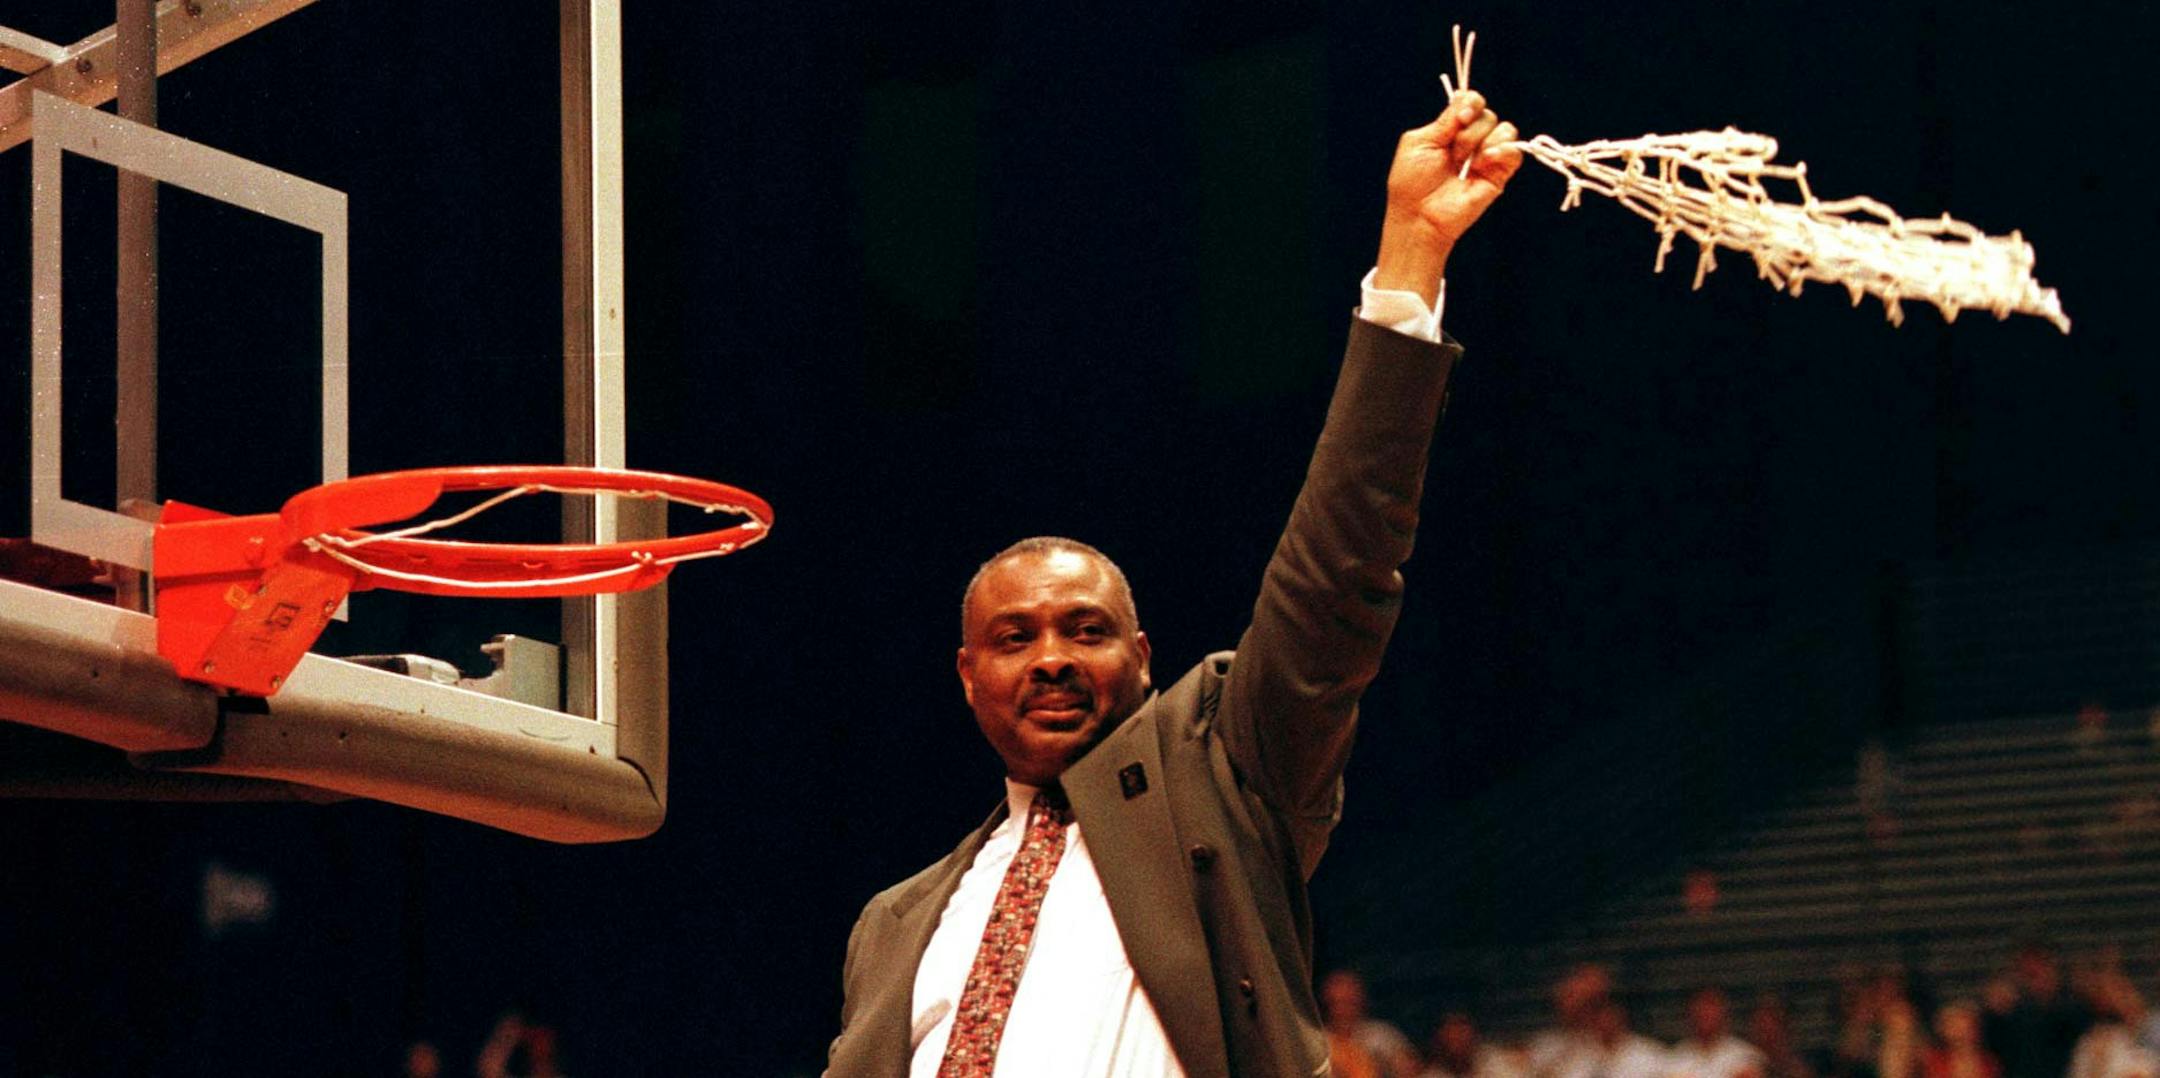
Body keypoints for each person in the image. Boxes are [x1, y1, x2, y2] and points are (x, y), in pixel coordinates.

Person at [823, 88, 1523, 1077]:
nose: (1053, 658)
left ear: (1144, 659)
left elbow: (1338, 569)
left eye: (1086, 629)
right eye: (1016, 638)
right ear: (968, 675)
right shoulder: (894, 922)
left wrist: (1411, 253)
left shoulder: (1224, 782)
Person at [1670, 987, 1767, 1078]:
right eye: (1702, 1009)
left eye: (1711, 1009)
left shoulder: (1745, 1056)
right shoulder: (1676, 1056)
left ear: (1724, 1014)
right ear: (1691, 1014)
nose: (1706, 1015)